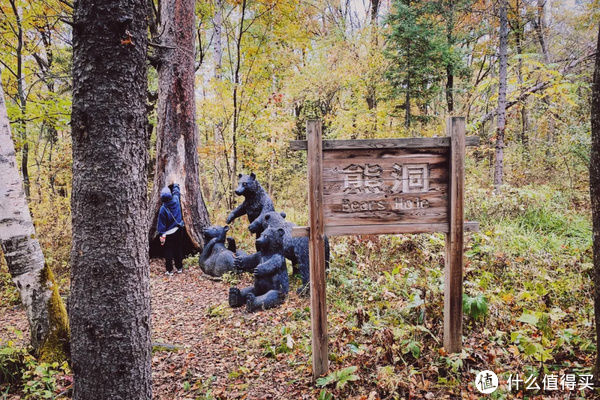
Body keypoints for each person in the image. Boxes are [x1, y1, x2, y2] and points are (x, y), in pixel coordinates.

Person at [157, 183, 185, 275]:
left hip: (168, 233)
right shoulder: (176, 200)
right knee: (178, 249)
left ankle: (169, 270)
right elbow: (176, 192)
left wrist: (161, 235)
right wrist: (176, 184)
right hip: (179, 230)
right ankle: (179, 267)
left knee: (168, 251)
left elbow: (161, 226)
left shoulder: (163, 209)